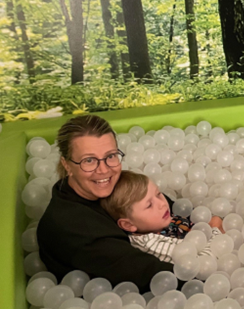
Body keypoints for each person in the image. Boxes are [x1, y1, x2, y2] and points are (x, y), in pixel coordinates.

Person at [37, 115, 179, 292]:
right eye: (89, 160)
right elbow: (154, 276)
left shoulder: (97, 187)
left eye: (110, 156)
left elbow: (168, 206)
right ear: (66, 165)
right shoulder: (76, 229)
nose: (104, 170)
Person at [101, 170, 223, 263]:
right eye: (149, 205)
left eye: (158, 194)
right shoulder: (151, 243)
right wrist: (216, 230)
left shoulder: (158, 221)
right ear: (129, 225)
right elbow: (202, 264)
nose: (162, 204)